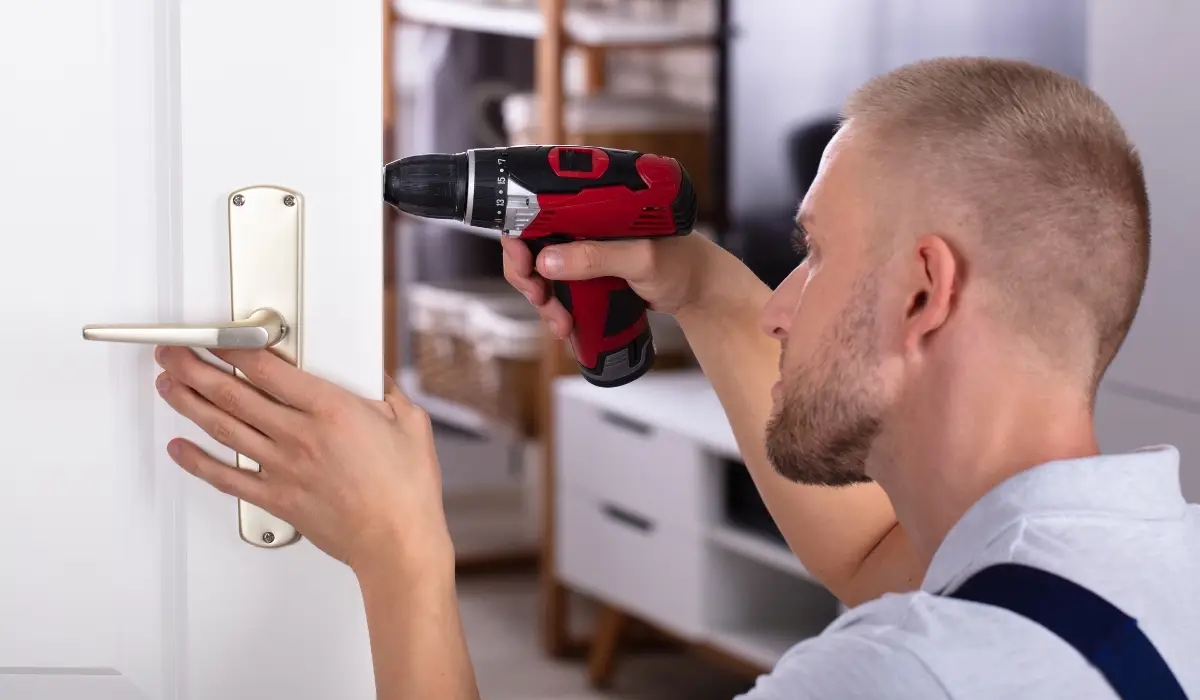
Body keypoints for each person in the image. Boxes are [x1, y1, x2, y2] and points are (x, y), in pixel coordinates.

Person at [149, 56, 1198, 699]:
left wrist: (402, 557)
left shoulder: (903, 675)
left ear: (926, 293)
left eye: (814, 250)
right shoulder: (1140, 573)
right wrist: (695, 278)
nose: (782, 302)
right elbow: (882, 557)